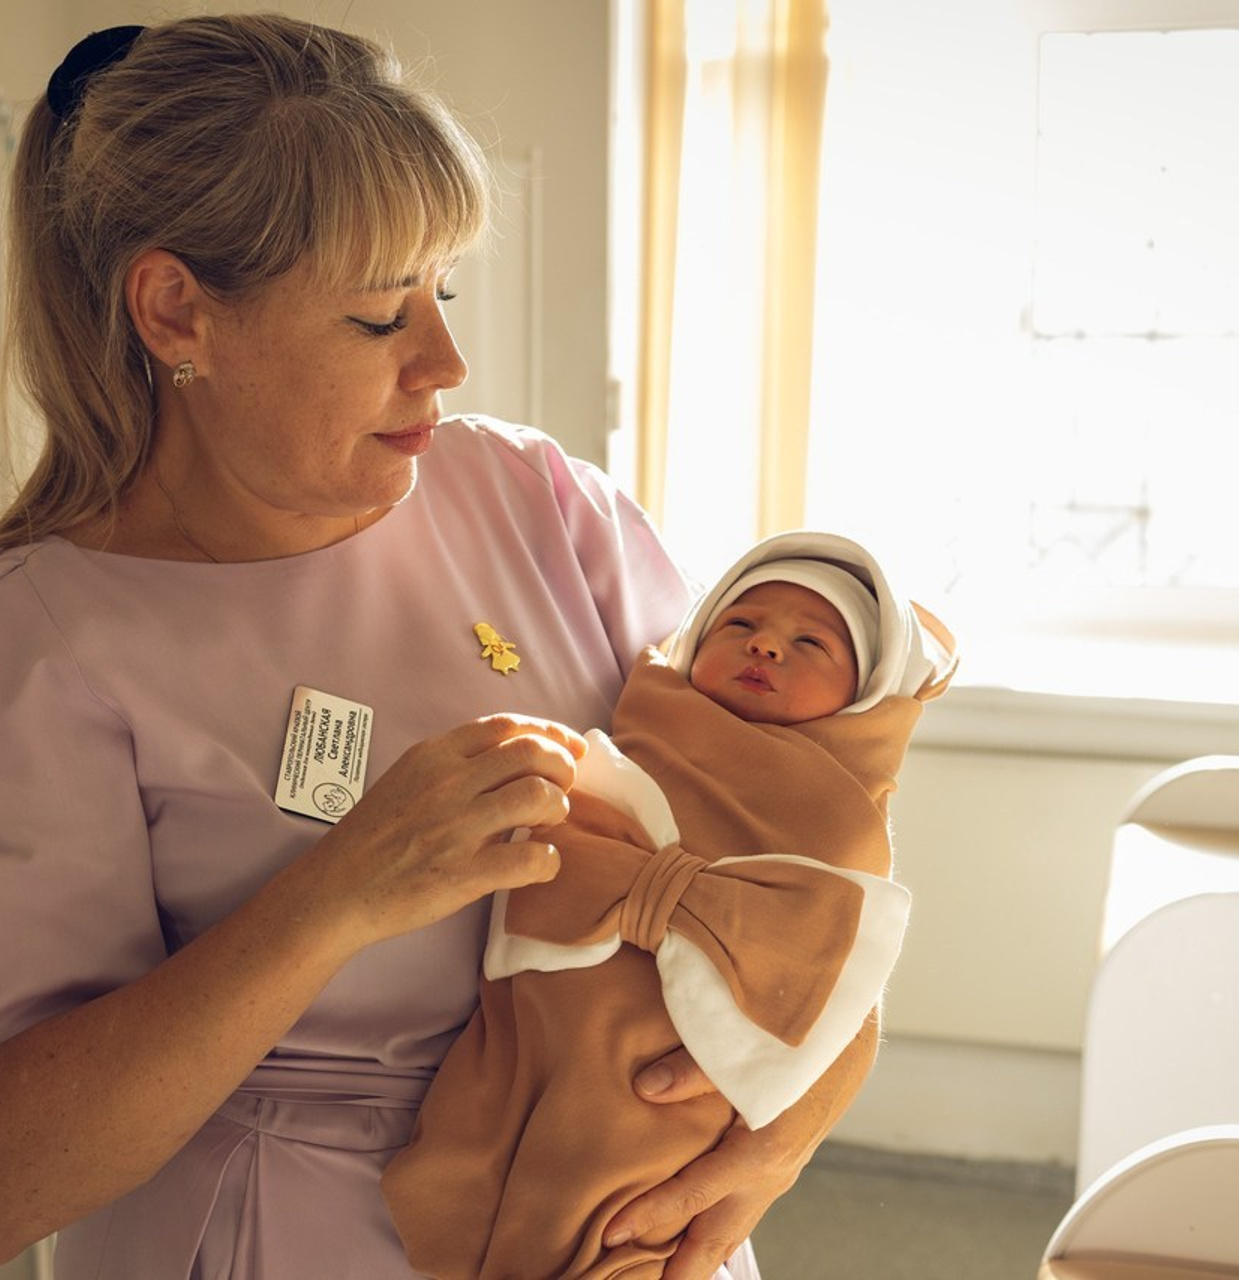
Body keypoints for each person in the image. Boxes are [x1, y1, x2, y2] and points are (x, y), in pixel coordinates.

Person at [0, 15, 893, 1279]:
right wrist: (336, 895)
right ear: (176, 310)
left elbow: (800, 832)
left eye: (443, 290)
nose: (446, 360)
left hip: (621, 1224)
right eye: (378, 318)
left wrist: (776, 1140)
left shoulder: (536, 501)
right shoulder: (44, 634)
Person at [381, 531, 957, 1278]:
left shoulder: (837, 805)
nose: (766, 648)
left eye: (811, 644)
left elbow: (833, 929)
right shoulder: (655, 713)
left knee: (625, 1185)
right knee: (478, 1136)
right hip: (549, 990)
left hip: (688, 1032)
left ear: (863, 698)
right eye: (740, 625)